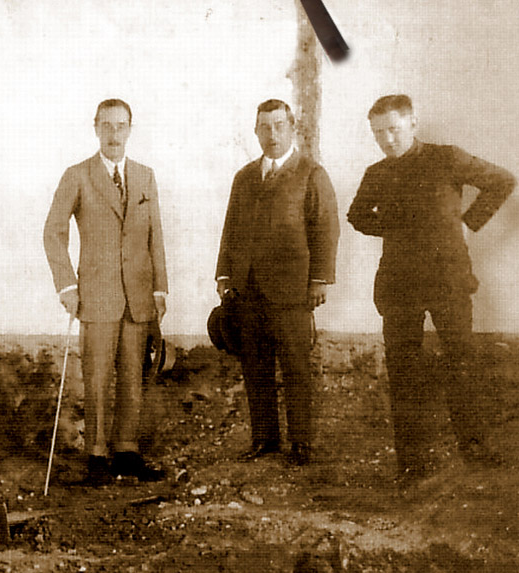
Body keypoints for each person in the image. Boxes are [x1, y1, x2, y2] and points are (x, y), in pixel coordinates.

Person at [347, 94, 516, 483]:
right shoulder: (376, 174)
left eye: (393, 129)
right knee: (404, 371)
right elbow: (356, 215)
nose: (387, 140)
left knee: (461, 364)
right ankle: (412, 460)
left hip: (448, 281)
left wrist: (468, 222)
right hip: (399, 284)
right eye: (378, 133)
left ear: (412, 123)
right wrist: (394, 227)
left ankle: (474, 448)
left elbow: (502, 181)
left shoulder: (447, 158)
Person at [44, 98, 168, 485]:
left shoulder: (145, 177)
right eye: (107, 125)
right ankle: (96, 455)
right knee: (97, 377)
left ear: (131, 129)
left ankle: (126, 452)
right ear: (95, 127)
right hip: (96, 296)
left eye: (121, 126)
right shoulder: (77, 175)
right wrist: (67, 285)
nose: (114, 134)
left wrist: (160, 290)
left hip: (139, 297)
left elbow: (155, 237)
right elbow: (53, 232)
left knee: (133, 376)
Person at [215, 99, 339, 466]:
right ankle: (265, 439)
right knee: (256, 368)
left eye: (279, 125)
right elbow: (230, 230)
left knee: (296, 369)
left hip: (292, 293)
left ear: (292, 128)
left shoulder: (311, 174)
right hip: (248, 291)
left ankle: (301, 443)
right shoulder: (244, 177)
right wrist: (224, 275)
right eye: (264, 127)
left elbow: (326, 230)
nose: (271, 134)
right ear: (255, 132)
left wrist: (319, 280)